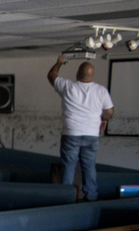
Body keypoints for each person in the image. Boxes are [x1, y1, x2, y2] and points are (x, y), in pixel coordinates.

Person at [47, 56, 114, 201]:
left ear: (78, 73)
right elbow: (109, 111)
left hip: (71, 133)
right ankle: (91, 196)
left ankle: (65, 196)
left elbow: (51, 76)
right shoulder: (101, 91)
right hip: (92, 135)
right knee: (89, 166)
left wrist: (59, 63)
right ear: (92, 75)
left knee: (69, 166)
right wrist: (104, 119)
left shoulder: (68, 87)